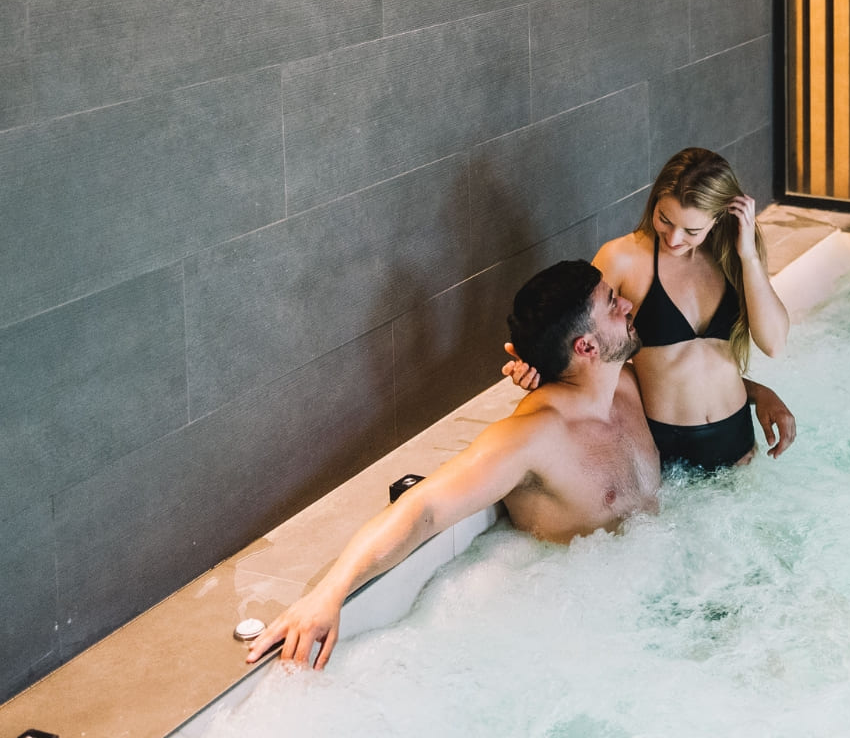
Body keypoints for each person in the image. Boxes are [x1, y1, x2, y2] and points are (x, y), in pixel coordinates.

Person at [244, 260, 793, 670]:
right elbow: (426, 508)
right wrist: (329, 593)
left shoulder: (627, 383)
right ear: (586, 346)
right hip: (611, 632)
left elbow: (692, 379)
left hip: (680, 583)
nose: (628, 304)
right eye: (612, 304)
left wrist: (756, 392)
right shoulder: (533, 436)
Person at [506, 148, 793, 470]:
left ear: (719, 218)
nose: (673, 239)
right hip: (668, 450)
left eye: (692, 231)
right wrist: (540, 372)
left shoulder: (734, 257)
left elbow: (774, 344)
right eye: (664, 220)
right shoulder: (622, 258)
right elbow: (578, 337)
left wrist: (749, 256)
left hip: (738, 438)